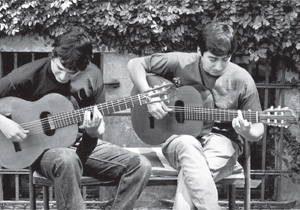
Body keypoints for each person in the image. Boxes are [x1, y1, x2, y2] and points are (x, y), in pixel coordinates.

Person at [0, 27, 151, 210]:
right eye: (60, 68)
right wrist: (4, 122)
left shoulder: (92, 76)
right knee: (67, 158)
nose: (63, 77)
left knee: (140, 166)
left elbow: (91, 137)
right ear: (53, 55)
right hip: (45, 152)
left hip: (83, 148)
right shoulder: (27, 75)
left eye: (72, 74)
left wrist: (93, 131)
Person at [127, 21, 264, 210]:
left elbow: (258, 130)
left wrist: (247, 130)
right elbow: (135, 64)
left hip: (221, 142)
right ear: (199, 50)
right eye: (213, 58)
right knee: (187, 145)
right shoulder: (181, 62)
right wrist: (149, 96)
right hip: (179, 140)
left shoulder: (242, 80)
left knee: (192, 172)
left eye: (225, 59)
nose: (218, 66)